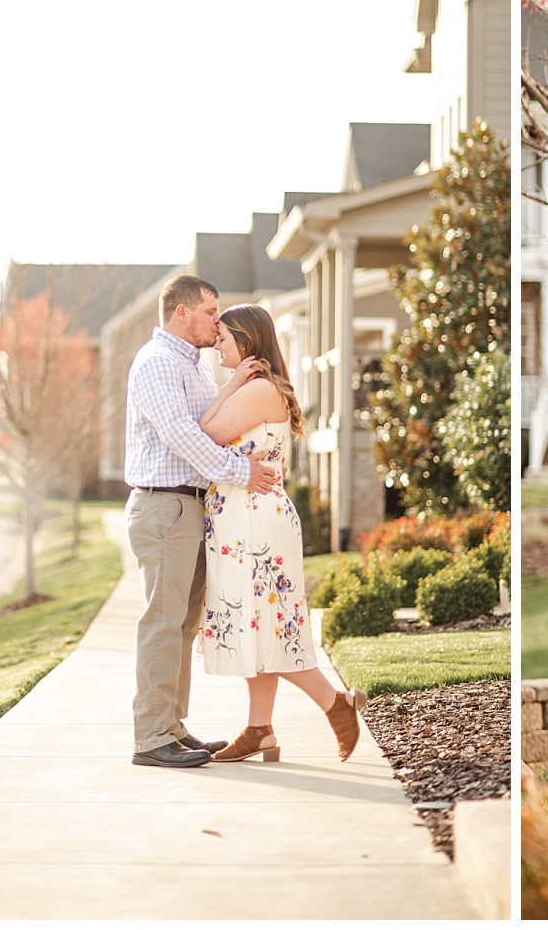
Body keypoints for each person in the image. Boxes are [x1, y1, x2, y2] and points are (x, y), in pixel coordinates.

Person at [198, 303, 367, 764]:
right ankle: (261, 731)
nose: (217, 343)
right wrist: (230, 383)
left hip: (256, 522)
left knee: (272, 626)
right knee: (256, 623)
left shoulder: (258, 390)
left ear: (247, 342)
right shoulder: (250, 388)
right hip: (242, 518)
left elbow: (206, 432)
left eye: (224, 337)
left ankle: (336, 704)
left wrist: (231, 384)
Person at [124, 275, 277, 769]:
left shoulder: (194, 366)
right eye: (211, 310)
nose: (219, 319)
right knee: (164, 623)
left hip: (191, 506)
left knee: (184, 626)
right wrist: (238, 471)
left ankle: (171, 726)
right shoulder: (157, 362)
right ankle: (150, 737)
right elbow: (179, 433)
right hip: (164, 505)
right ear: (182, 312)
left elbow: (209, 425)